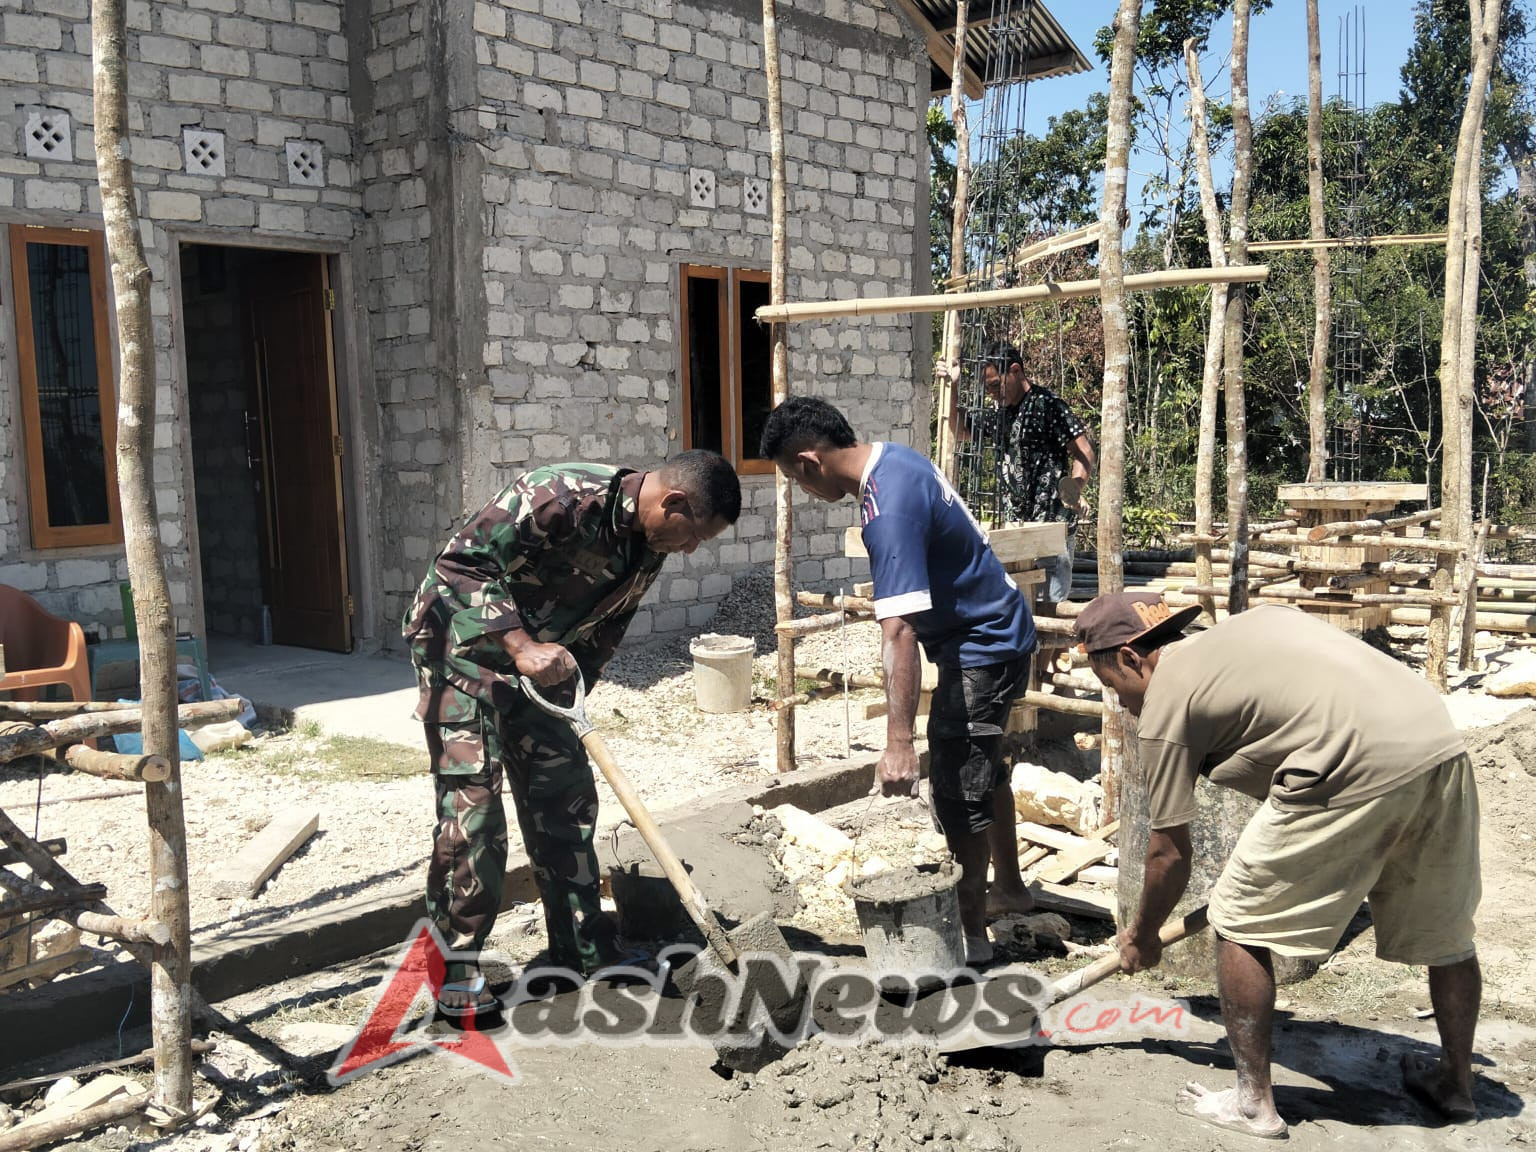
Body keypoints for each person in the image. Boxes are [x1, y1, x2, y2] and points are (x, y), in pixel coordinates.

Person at [1077, 593, 1482, 1139]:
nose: (1123, 707)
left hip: (1353, 758)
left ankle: (1251, 1105)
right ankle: (1455, 1084)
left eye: (1114, 689)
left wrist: (1142, 935)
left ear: (1131, 657)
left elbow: (1168, 853)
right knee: (1445, 928)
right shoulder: (1255, 626)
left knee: (1240, 920)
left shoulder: (1165, 706)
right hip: (1438, 742)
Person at [402, 452, 741, 1017]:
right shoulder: (559, 495)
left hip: (541, 672)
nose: (690, 551)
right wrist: (520, 647)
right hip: (458, 652)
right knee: (475, 812)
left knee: (567, 797)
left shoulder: (646, 546)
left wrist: (570, 695)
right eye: (693, 536)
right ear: (673, 503)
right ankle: (454, 970)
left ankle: (583, 946)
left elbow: (604, 626)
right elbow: (458, 569)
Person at [760, 396, 1036, 964]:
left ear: (810, 462)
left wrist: (898, 743)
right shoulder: (898, 459)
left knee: (957, 790)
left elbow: (899, 633)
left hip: (982, 647)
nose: (805, 493)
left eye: (795, 478)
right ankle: (1009, 888)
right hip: (1001, 629)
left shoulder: (887, 511)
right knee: (984, 768)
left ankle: (970, 939)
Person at [964, 344, 1095, 605]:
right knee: (1017, 605)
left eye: (994, 384)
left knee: (1049, 606)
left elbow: (1084, 452)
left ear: (1015, 371)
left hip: (1050, 524)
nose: (990, 393)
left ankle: (1052, 648)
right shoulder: (997, 414)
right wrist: (952, 385)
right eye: (986, 387)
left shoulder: (1048, 405)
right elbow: (959, 431)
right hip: (1014, 525)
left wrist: (1074, 488)